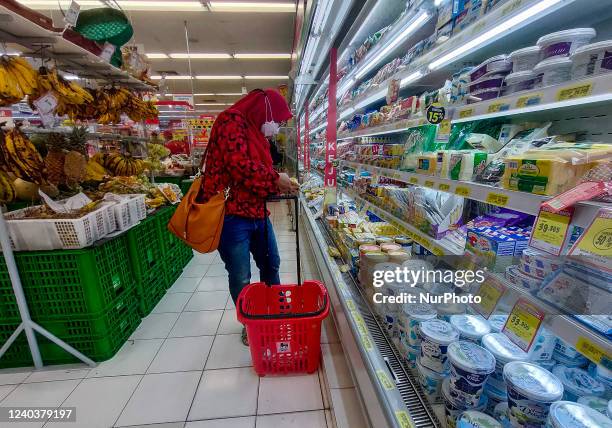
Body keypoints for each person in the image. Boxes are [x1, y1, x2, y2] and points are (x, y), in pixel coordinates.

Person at [201, 88, 298, 345]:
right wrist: (276, 179)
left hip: (257, 211)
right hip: (233, 216)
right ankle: (250, 322)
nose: (276, 125)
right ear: (265, 111)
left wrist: (278, 184)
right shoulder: (230, 122)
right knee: (241, 274)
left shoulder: (255, 131)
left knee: (271, 264)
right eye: (276, 119)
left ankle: (274, 313)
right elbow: (239, 165)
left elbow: (258, 172)